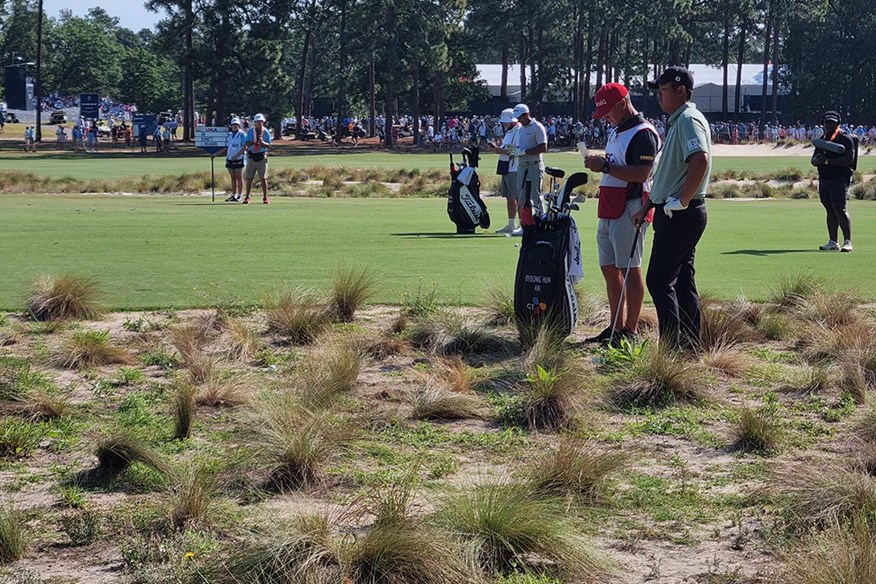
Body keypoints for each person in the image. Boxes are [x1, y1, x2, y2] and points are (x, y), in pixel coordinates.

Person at [632, 66, 711, 350]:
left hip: (680, 214)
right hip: (674, 210)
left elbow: (699, 160)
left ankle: (671, 348)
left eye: (663, 91)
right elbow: (669, 173)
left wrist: (683, 200)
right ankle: (689, 346)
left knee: (658, 281)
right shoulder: (678, 120)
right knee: (681, 281)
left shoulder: (688, 119)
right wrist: (649, 204)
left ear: (681, 91)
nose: (659, 97)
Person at [584, 83, 659, 344]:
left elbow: (641, 173)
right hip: (609, 206)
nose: (605, 117)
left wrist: (603, 166)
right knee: (608, 267)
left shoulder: (644, 133)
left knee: (630, 268)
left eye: (607, 111)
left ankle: (630, 330)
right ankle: (615, 328)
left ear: (622, 103)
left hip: (631, 206)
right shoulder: (618, 130)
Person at [812, 110, 855, 253]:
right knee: (829, 208)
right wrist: (816, 160)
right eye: (826, 123)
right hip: (824, 178)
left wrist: (828, 161)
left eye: (832, 123)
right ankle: (833, 242)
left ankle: (847, 242)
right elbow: (813, 159)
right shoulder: (821, 140)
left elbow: (849, 159)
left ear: (838, 124)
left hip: (839, 178)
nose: (829, 125)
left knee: (840, 208)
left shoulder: (845, 139)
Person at [511, 103, 547, 234]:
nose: (518, 120)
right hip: (522, 165)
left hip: (534, 164)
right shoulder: (520, 129)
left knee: (535, 195)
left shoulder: (537, 127)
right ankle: (525, 224)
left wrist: (525, 152)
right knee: (521, 195)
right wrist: (516, 151)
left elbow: (543, 147)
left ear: (526, 115)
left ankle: (541, 223)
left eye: (520, 117)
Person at [489, 108, 521, 234]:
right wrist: (497, 148)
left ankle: (522, 224)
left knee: (518, 198)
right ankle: (511, 224)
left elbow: (518, 150)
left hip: (515, 168)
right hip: (506, 167)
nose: (504, 124)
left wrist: (500, 151)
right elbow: (506, 147)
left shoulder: (518, 131)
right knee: (509, 197)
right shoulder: (509, 132)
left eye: (506, 122)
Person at [243, 113, 272, 204]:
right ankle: (247, 197)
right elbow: (246, 143)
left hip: (261, 157)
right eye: (258, 122)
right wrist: (253, 142)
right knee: (249, 178)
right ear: (254, 122)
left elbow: (269, 145)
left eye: (261, 122)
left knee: (263, 178)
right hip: (251, 157)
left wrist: (262, 142)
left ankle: (265, 197)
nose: (260, 124)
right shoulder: (251, 131)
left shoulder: (265, 131)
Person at [217, 118, 247, 202]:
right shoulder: (229, 135)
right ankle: (233, 194)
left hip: (239, 158)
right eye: (233, 125)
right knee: (232, 177)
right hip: (229, 158)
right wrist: (216, 154)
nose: (235, 126)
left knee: (239, 176)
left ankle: (239, 195)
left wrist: (237, 155)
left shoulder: (242, 134)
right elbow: (226, 147)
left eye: (236, 125)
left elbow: (245, 147)